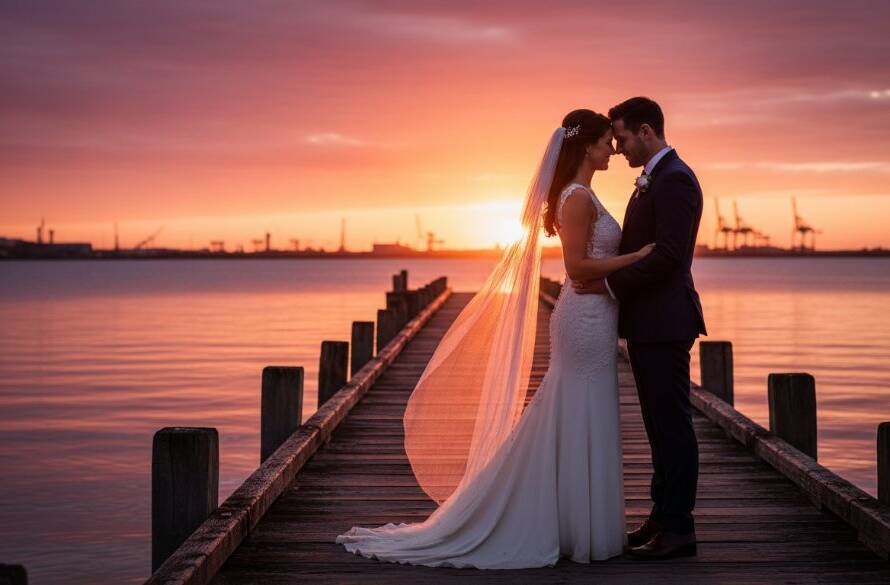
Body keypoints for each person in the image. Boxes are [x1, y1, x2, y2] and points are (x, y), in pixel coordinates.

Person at [335, 109, 655, 568]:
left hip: (594, 316)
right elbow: (577, 269)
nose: (613, 149)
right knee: (579, 409)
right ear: (586, 146)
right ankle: (574, 527)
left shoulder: (582, 195)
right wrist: (636, 259)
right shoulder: (578, 199)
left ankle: (580, 525)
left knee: (582, 412)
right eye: (607, 141)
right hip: (584, 319)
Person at [573, 96, 707, 559]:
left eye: (624, 137)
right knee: (657, 424)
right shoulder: (654, 179)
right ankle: (661, 514)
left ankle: (680, 529)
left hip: (666, 321)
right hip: (649, 322)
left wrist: (608, 284)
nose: (619, 147)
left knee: (672, 425)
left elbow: (669, 255)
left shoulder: (675, 181)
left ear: (647, 131)